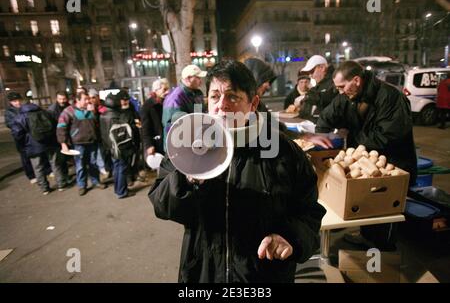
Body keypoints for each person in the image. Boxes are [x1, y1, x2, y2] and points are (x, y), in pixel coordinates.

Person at [148, 60, 326, 283]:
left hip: (264, 277)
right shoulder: (185, 145)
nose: (222, 105)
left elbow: (309, 212)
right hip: (204, 275)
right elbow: (162, 205)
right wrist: (188, 176)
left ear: (253, 104)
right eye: (214, 96)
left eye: (233, 96)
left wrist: (290, 237)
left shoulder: (283, 152)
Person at [316, 60, 417, 251]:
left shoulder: (390, 96)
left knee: (383, 212)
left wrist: (357, 147)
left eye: (342, 86)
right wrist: (323, 141)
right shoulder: (346, 97)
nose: (339, 91)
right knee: (365, 205)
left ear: (356, 80)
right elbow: (326, 117)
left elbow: (388, 135)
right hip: (363, 161)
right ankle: (367, 240)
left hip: (393, 161)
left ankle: (384, 253)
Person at [11, 101, 66, 195]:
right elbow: (55, 125)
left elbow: (17, 133)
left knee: (38, 167)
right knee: (55, 164)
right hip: (50, 143)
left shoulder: (20, 117)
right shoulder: (46, 113)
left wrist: (23, 144)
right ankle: (61, 184)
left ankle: (45, 189)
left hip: (33, 145)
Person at [57, 91, 106, 196]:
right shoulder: (69, 111)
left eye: (88, 99)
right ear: (77, 100)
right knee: (80, 165)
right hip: (78, 143)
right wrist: (63, 143)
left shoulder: (91, 109)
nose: (88, 101)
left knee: (93, 163)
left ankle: (96, 181)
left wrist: (94, 113)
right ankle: (82, 185)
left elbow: (97, 125)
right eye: (85, 99)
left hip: (92, 141)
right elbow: (61, 127)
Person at [99, 94, 136, 198]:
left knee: (117, 167)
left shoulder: (103, 115)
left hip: (110, 146)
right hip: (119, 147)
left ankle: (119, 189)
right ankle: (121, 192)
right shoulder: (117, 115)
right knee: (121, 168)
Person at [162, 65, 206, 149]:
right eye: (198, 77)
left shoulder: (195, 93)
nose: (200, 80)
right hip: (178, 147)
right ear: (188, 78)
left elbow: (199, 117)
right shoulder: (175, 97)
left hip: (193, 143)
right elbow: (174, 125)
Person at [5, 91, 38, 183]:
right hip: (20, 137)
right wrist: (21, 124)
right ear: (11, 102)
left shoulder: (25, 107)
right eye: (15, 101)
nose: (18, 102)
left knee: (39, 152)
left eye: (18, 100)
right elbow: (9, 124)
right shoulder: (9, 112)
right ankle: (31, 175)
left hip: (31, 135)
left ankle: (46, 170)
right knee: (25, 157)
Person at [299, 55, 338, 123]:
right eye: (308, 73)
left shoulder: (334, 82)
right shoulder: (319, 85)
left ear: (322, 68)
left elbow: (324, 99)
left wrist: (307, 96)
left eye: (312, 71)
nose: (310, 75)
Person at [117, 89, 142, 186]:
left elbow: (137, 117)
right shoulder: (118, 111)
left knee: (135, 157)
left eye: (126, 99)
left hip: (135, 136)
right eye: (123, 99)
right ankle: (128, 178)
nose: (125, 101)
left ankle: (134, 174)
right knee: (126, 160)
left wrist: (138, 122)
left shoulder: (131, 108)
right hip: (124, 139)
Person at [141, 78, 170, 157]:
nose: (167, 92)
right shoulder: (148, 106)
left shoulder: (169, 102)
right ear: (156, 90)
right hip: (158, 143)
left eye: (168, 89)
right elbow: (145, 129)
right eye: (164, 89)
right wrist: (149, 145)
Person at [48, 90, 71, 179]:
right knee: (61, 159)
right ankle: (64, 176)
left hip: (69, 134)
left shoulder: (69, 107)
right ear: (56, 99)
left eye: (63, 99)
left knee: (68, 157)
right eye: (59, 99)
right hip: (58, 136)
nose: (62, 101)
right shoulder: (52, 110)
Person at [88, 88, 109, 178]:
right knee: (99, 153)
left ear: (98, 97)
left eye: (93, 97)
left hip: (105, 134)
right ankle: (104, 169)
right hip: (95, 135)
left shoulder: (104, 106)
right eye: (90, 98)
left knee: (107, 152)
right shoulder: (89, 108)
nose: (91, 100)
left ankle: (108, 168)